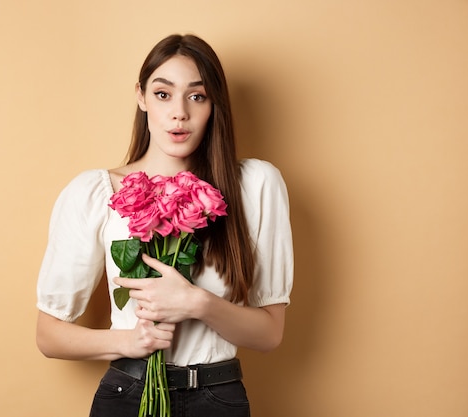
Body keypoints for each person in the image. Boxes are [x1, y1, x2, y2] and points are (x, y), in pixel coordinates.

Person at [36, 33, 293, 417]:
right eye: (162, 94)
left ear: (214, 105)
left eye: (197, 96)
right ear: (141, 97)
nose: (179, 113)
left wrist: (196, 303)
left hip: (218, 397)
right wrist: (129, 341)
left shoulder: (255, 186)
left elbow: (270, 334)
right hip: (128, 393)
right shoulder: (94, 192)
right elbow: (49, 335)